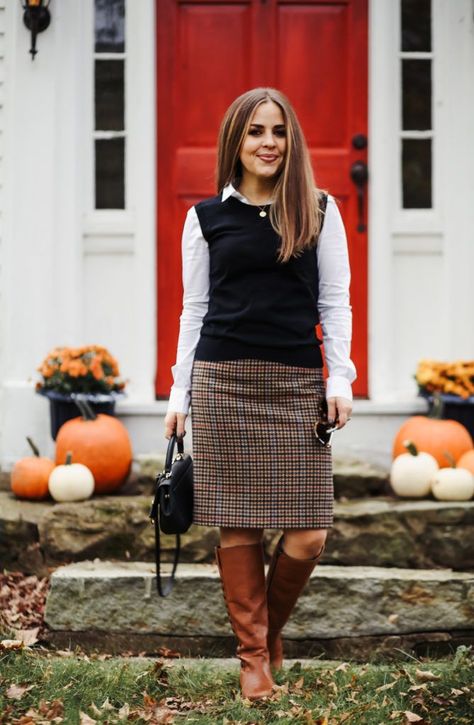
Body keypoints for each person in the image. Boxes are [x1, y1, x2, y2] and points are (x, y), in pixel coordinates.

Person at [164, 87, 357, 701]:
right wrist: (179, 393)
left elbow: (335, 304)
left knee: (309, 533)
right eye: (254, 132)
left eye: (277, 131)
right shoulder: (206, 218)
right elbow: (194, 310)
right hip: (223, 381)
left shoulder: (321, 210)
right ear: (235, 142)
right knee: (238, 529)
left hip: (297, 383)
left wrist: (342, 376)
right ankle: (255, 658)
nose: (268, 142)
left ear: (290, 139)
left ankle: (266, 632)